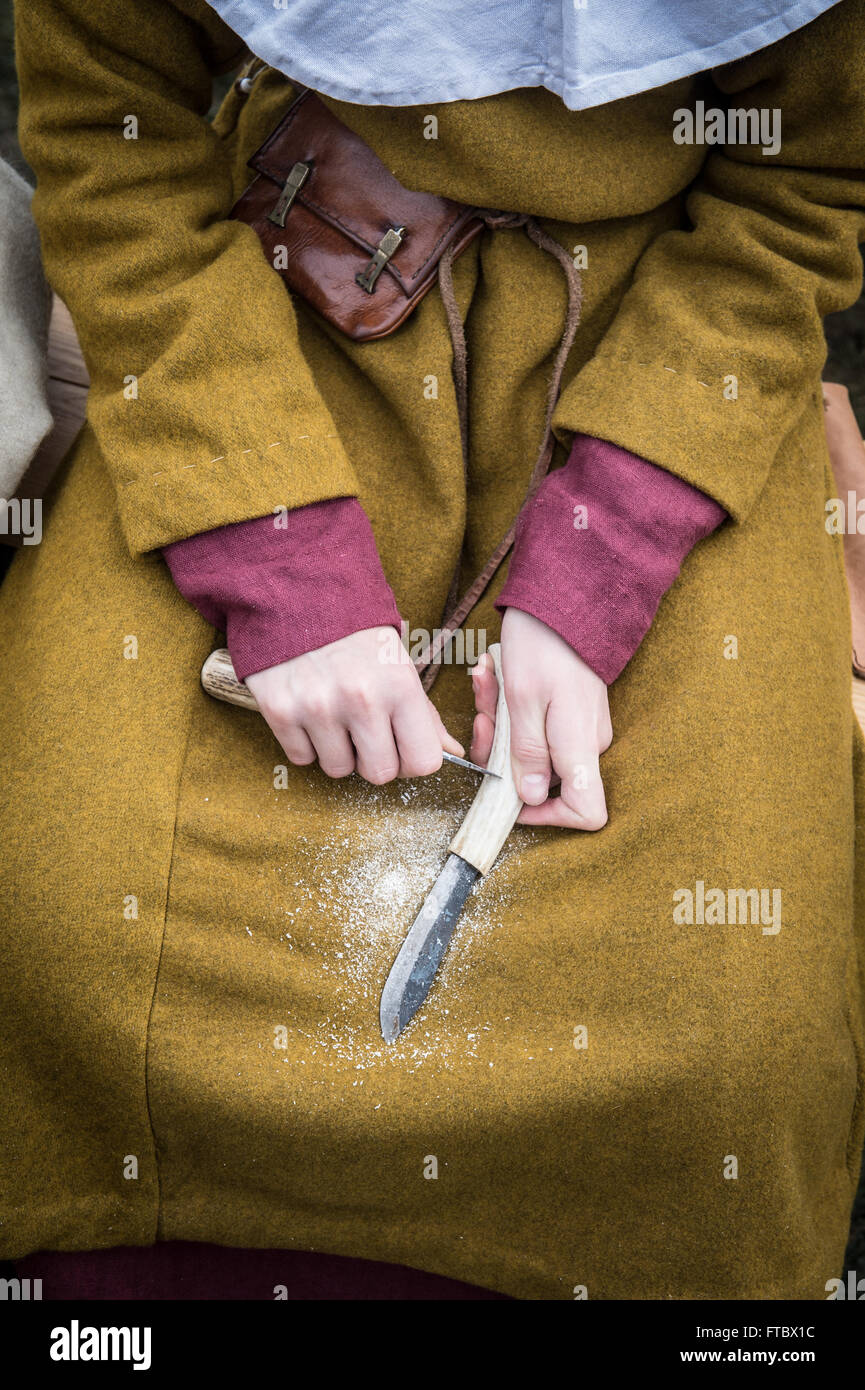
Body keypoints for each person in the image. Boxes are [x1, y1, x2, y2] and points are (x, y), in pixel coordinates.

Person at [2, 0, 864, 1300]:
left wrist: (604, 554)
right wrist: (272, 543)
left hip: (666, 375)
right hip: (260, 324)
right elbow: (107, 138)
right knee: (65, 931)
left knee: (730, 1037)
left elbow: (806, 190)